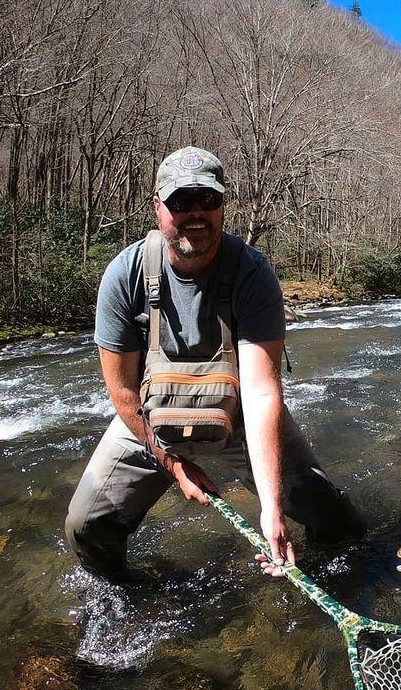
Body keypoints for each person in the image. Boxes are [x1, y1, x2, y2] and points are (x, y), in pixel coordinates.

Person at [65, 146, 363, 582]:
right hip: (149, 418)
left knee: (341, 525)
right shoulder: (124, 275)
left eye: (208, 200)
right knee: (84, 528)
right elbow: (124, 394)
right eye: (181, 201)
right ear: (157, 207)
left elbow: (262, 393)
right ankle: (135, 593)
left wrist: (270, 507)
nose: (195, 212)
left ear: (225, 206)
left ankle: (327, 574)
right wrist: (174, 464)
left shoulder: (252, 274)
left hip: (239, 417)